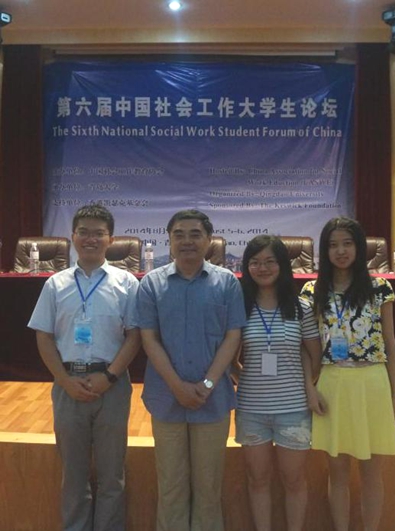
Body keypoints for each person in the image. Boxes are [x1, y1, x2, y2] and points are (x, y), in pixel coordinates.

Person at [28, 205, 140, 531]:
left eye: (98, 233)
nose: (91, 239)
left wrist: (109, 376)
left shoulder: (127, 283)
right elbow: (44, 336)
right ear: (73, 237)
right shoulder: (55, 284)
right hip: (68, 384)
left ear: (111, 239)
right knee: (73, 474)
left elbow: (134, 337)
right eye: (84, 232)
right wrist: (64, 381)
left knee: (112, 474)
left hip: (112, 385)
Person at [137, 209, 246, 531]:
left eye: (195, 234)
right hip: (166, 398)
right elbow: (148, 338)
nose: (187, 241)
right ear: (169, 240)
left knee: (208, 488)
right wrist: (177, 386)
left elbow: (233, 336)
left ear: (209, 240)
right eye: (179, 234)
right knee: (170, 486)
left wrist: (208, 384)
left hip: (212, 400)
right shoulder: (152, 284)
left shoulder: (226, 282)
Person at [300, 216, 395, 531]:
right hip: (332, 383)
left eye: (347, 243)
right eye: (333, 245)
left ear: (359, 247)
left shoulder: (379, 287)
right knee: (338, 472)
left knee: (372, 473)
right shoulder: (312, 290)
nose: (341, 251)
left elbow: (390, 342)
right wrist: (310, 389)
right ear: (324, 251)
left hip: (372, 382)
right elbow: (305, 347)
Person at [235, 235, 323, 531]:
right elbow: (229, 358)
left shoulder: (301, 308)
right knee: (257, 480)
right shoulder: (240, 307)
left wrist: (306, 386)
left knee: (294, 480)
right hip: (251, 410)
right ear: (247, 267)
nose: (262, 268)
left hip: (293, 409)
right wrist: (244, 379)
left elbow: (315, 356)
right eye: (255, 262)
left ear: (283, 265)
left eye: (270, 261)